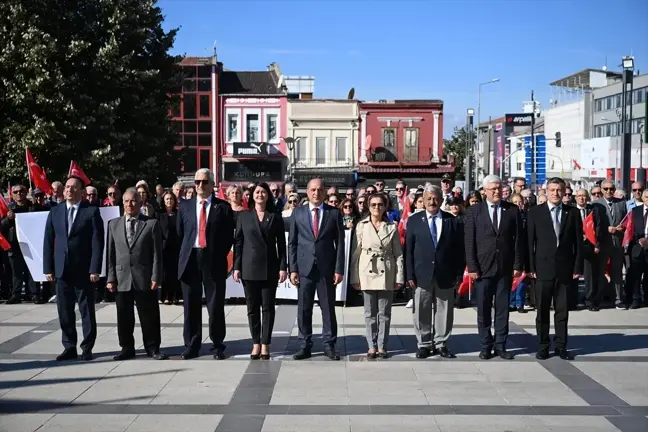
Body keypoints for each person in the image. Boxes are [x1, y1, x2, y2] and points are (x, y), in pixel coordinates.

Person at [43, 176, 104, 361]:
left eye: (73, 187)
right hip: (62, 269)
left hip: (83, 270)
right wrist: (48, 268)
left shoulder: (91, 212)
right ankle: (69, 346)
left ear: (81, 191)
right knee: (64, 310)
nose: (69, 190)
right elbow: (48, 241)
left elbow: (97, 243)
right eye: (67, 187)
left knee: (86, 310)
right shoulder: (55, 211)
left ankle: (87, 347)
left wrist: (95, 269)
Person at [464, 174, 524, 360]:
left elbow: (518, 240)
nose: (497, 191)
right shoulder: (475, 211)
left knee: (502, 309)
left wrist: (517, 264)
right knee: (483, 309)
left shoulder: (512, 210)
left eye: (499, 188)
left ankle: (501, 345)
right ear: (485, 192)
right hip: (482, 269)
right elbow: (469, 241)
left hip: (505, 268)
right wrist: (472, 267)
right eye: (492, 189)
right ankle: (485, 345)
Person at [177, 168, 235, 360]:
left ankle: (217, 344)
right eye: (197, 182)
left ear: (212, 184)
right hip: (191, 259)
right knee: (191, 305)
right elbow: (180, 233)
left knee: (215, 304)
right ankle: (192, 344)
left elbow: (228, 237)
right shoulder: (185, 206)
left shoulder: (223, 207)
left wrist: (218, 254)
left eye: (204, 182)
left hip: (213, 260)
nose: (200, 185)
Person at [106, 188, 167, 360]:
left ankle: (153, 347)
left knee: (149, 315)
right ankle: (126, 348)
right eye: (126, 201)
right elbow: (110, 254)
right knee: (124, 316)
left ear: (140, 203)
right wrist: (111, 278)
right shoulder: (113, 224)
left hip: (144, 277)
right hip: (122, 277)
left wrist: (156, 276)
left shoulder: (151, 224)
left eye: (133, 201)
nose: (129, 204)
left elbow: (157, 254)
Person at [288, 178, 346, 360]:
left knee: (328, 308)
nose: (316, 193)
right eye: (313, 190)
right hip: (305, 268)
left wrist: (339, 269)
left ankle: (329, 345)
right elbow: (293, 243)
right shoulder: (298, 213)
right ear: (307, 192)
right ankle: (304, 344)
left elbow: (340, 244)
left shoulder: (334, 214)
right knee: (303, 308)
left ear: (325, 192)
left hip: (326, 269)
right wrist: (293, 269)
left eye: (320, 190)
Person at [527, 177, 583, 360]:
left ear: (564, 191)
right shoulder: (535, 212)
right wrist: (530, 267)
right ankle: (543, 345)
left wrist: (577, 267)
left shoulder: (572, 213)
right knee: (542, 310)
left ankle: (561, 346)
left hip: (565, 269)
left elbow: (578, 244)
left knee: (562, 310)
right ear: (546, 191)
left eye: (559, 190)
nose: (556, 193)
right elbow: (530, 243)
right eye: (552, 190)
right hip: (542, 268)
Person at [406, 185, 464, 359]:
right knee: (421, 310)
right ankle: (423, 344)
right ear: (423, 200)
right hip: (421, 274)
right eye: (429, 198)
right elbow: (408, 249)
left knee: (444, 311)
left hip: (445, 274)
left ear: (441, 200)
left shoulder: (451, 220)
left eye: (435, 198)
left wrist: (459, 273)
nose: (432, 202)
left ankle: (441, 343)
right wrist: (409, 275)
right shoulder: (414, 220)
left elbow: (459, 250)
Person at [233, 182, 287, 360]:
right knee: (252, 308)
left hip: (269, 268)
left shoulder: (275, 216)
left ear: (267, 196)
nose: (260, 195)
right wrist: (237, 267)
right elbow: (238, 243)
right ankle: (255, 342)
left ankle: (265, 343)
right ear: (251, 195)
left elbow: (281, 245)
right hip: (249, 268)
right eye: (257, 192)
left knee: (268, 308)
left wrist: (282, 267)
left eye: (263, 192)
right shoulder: (244, 216)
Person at [349, 193, 404, 358]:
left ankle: (382, 345)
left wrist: (399, 277)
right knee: (369, 312)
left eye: (380, 204)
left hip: (386, 271)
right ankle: (371, 345)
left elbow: (398, 254)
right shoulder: (361, 226)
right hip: (367, 270)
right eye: (373, 205)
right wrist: (354, 277)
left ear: (385, 206)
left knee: (384, 312)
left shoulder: (392, 227)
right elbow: (355, 254)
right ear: (368, 206)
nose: (376, 208)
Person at [593, 179, 627, 309]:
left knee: (617, 272)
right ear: (601, 190)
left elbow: (626, 221)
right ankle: (597, 298)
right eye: (606, 189)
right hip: (603, 243)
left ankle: (618, 299)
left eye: (611, 189)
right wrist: (606, 229)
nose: (609, 191)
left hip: (617, 243)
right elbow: (593, 224)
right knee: (600, 272)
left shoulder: (621, 203)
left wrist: (622, 228)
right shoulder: (596, 204)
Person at [158, 191, 181, 305]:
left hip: (176, 247)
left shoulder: (178, 213)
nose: (169, 201)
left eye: (171, 199)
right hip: (164, 248)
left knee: (175, 272)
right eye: (167, 199)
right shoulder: (160, 214)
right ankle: (166, 296)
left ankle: (175, 295)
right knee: (165, 273)